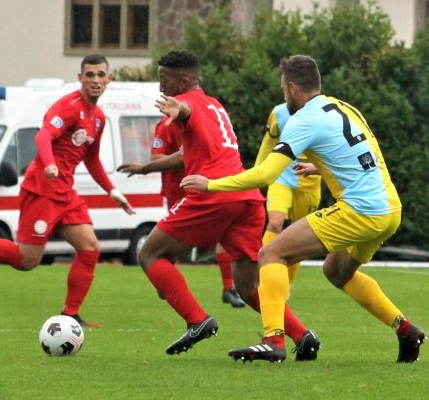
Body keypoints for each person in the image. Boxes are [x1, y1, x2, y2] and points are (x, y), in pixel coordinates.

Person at [181, 54, 425, 363]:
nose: (283, 95)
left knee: (271, 253)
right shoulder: (343, 107)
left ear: (293, 88)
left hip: (360, 211)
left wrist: (210, 184)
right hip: (389, 209)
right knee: (336, 272)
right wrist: (322, 167)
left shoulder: (303, 120)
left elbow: (266, 174)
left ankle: (273, 340)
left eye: (283, 88)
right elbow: (368, 160)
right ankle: (406, 330)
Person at [117, 50, 319, 359]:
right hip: (245, 196)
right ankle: (301, 335)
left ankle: (197, 320)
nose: (160, 88)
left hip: (214, 195)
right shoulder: (214, 105)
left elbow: (186, 111)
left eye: (164, 80)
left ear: (184, 81)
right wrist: (146, 168)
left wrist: (180, 108)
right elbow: (189, 152)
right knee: (248, 286)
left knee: (150, 253)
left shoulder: (190, 104)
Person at [0, 54, 135, 326]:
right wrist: (50, 164)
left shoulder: (98, 118)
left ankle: (70, 314)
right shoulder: (68, 106)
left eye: (101, 75)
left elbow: (91, 159)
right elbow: (43, 136)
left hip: (65, 192)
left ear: (109, 79)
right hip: (42, 189)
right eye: (90, 75)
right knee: (26, 260)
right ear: (80, 78)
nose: (96, 80)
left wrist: (112, 191)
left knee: (90, 248)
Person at [151, 117, 246, 307]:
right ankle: (165, 281)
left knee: (225, 234)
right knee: (168, 246)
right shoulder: (167, 124)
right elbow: (155, 157)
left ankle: (229, 288)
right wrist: (187, 156)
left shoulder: (208, 123)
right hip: (178, 191)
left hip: (207, 188)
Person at [256, 103, 322, 283]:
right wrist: (257, 172)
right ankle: (261, 277)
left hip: (310, 184)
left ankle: (285, 286)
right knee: (275, 223)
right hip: (282, 176)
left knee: (297, 237)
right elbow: (268, 141)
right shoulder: (278, 112)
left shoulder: (324, 112)